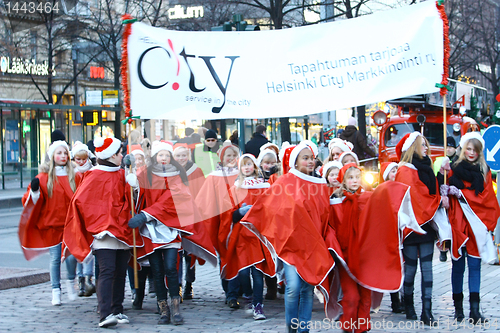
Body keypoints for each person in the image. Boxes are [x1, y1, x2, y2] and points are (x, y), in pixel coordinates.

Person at [239, 143, 338, 332]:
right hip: (290, 245)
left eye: (311, 158)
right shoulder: (285, 182)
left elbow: (324, 216)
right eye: (305, 158)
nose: (310, 161)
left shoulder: (320, 185)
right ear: (296, 161)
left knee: (307, 289)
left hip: (313, 245)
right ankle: (292, 327)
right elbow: (269, 206)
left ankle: (304, 329)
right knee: (292, 287)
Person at [63, 136, 140, 328]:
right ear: (111, 155)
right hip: (104, 232)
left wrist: (135, 187)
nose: (122, 155)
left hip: (122, 230)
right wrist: (97, 222)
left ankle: (118, 309)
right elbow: (81, 201)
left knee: (121, 272)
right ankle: (105, 313)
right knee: (107, 271)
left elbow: (131, 202)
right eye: (119, 152)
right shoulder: (94, 175)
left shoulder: (123, 174)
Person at [395, 132, 450, 326]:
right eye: (422, 145)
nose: (426, 148)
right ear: (413, 147)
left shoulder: (427, 166)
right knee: (410, 270)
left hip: (426, 224)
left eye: (426, 144)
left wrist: (441, 176)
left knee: (427, 268)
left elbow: (430, 190)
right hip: (411, 227)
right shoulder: (405, 170)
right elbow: (416, 198)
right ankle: (408, 305)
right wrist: (437, 201)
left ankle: (427, 311)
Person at [445, 132, 500, 324]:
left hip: (476, 223)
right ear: (463, 149)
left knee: (475, 267)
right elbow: (446, 195)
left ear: (479, 152)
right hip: (458, 222)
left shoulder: (484, 170)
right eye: (468, 149)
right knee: (458, 266)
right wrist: (446, 188)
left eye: (474, 150)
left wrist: (462, 194)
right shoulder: (452, 169)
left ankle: (474, 310)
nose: (471, 153)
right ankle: (458, 309)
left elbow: (486, 199)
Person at [19, 141, 82, 306]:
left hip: (70, 224)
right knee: (55, 258)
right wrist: (34, 192)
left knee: (71, 257)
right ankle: (56, 290)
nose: (62, 156)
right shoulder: (43, 177)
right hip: (52, 225)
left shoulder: (74, 175)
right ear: (52, 156)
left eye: (64, 153)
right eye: (59, 153)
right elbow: (31, 200)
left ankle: (70, 280)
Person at [225, 154, 270, 320]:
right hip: (242, 237)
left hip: (257, 236)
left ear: (255, 166)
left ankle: (258, 305)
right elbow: (229, 214)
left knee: (258, 274)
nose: (247, 167)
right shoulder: (236, 188)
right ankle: (249, 296)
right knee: (243, 273)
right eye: (243, 165)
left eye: (249, 164)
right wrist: (239, 212)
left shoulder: (264, 186)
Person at [173, 143, 206, 300]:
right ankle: (177, 286)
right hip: (174, 218)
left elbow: (202, 193)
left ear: (188, 156)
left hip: (191, 216)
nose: (181, 158)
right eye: (178, 155)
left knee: (190, 253)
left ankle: (189, 283)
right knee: (176, 253)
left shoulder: (196, 171)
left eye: (183, 155)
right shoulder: (169, 172)